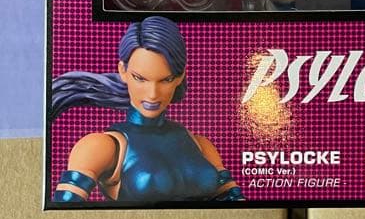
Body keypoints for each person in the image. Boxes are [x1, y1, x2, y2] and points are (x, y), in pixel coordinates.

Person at [50, 16, 242, 203]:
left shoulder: (200, 144)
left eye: (165, 79)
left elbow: (239, 206)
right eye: (140, 78)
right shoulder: (104, 146)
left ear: (179, 77)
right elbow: (66, 215)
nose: (152, 94)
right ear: (123, 71)